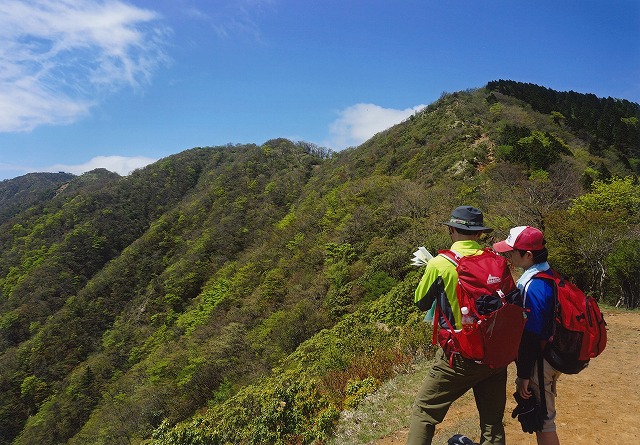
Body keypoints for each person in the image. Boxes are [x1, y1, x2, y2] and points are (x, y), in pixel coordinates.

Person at [407, 206, 508, 445]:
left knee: (424, 412)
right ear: (480, 234)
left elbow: (421, 303)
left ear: (452, 230)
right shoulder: (497, 261)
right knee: (492, 422)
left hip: (459, 355)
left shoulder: (439, 264)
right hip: (494, 353)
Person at [493, 226, 561, 445]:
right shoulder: (546, 273)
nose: (509, 256)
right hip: (548, 355)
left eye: (512, 252)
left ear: (528, 255)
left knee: (544, 420)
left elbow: (532, 334)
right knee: (541, 416)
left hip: (540, 360)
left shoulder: (535, 286)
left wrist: (523, 374)